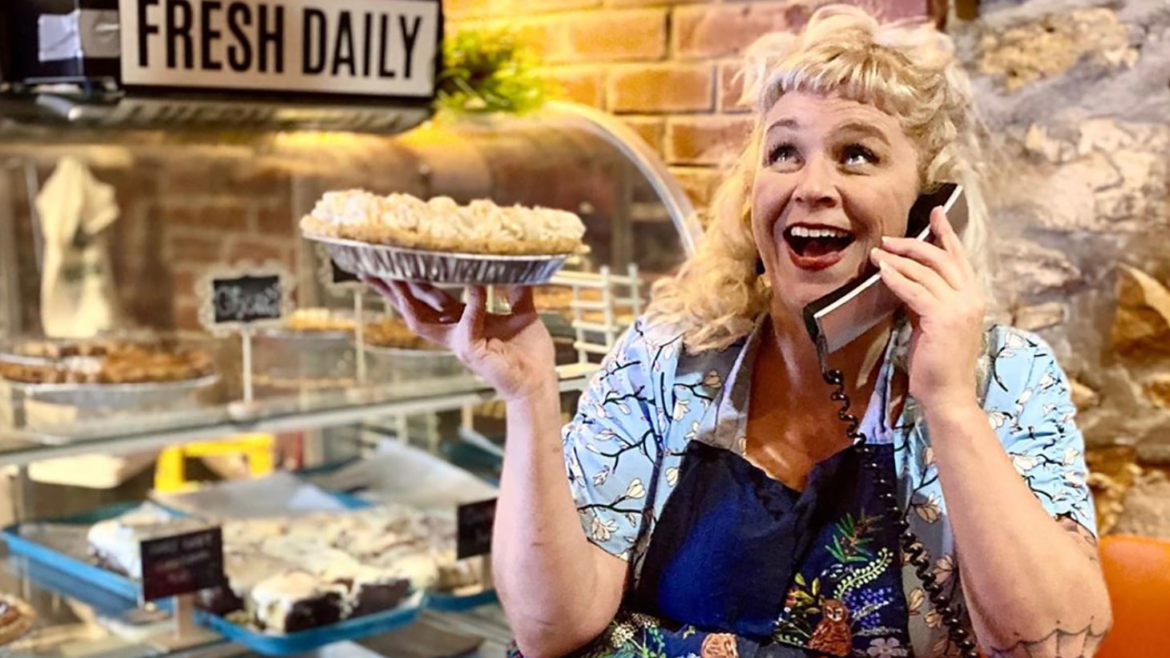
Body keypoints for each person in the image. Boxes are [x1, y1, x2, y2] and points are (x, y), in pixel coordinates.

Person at [365, 5, 1112, 657]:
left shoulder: (1008, 378)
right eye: (784, 151)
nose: (810, 185)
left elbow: (1050, 643)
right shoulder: (666, 357)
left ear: (931, 210)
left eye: (857, 153)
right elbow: (549, 627)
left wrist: (947, 400)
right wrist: (529, 393)